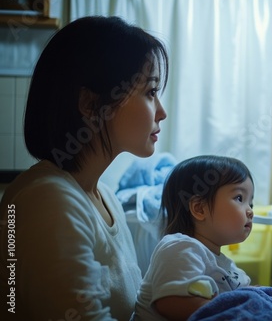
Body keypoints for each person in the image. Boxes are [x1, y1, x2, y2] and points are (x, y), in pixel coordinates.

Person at [0, 16, 168, 320]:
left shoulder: (105, 197)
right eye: (150, 92)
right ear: (91, 105)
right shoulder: (48, 201)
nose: (162, 112)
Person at [133, 155, 255, 321]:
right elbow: (171, 303)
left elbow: (249, 295)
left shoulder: (229, 267)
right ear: (199, 208)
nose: (250, 211)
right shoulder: (180, 248)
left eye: (251, 203)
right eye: (239, 198)